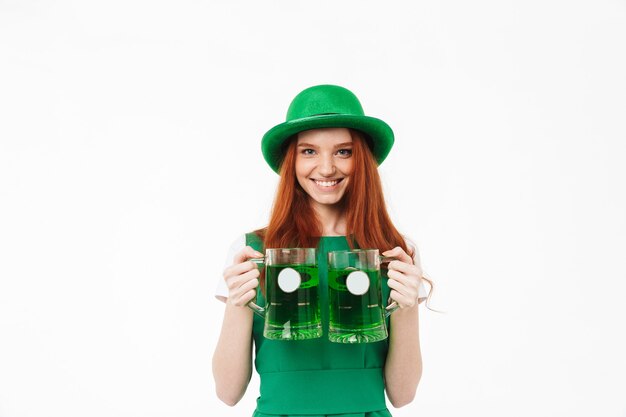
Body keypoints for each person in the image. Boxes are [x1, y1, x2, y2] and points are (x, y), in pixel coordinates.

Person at [212, 84, 435, 417]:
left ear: (363, 159)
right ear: (292, 160)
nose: (327, 168)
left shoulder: (397, 252)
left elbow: (402, 395)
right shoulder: (253, 250)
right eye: (309, 151)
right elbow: (228, 393)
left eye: (343, 151)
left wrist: (407, 308)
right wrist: (236, 303)